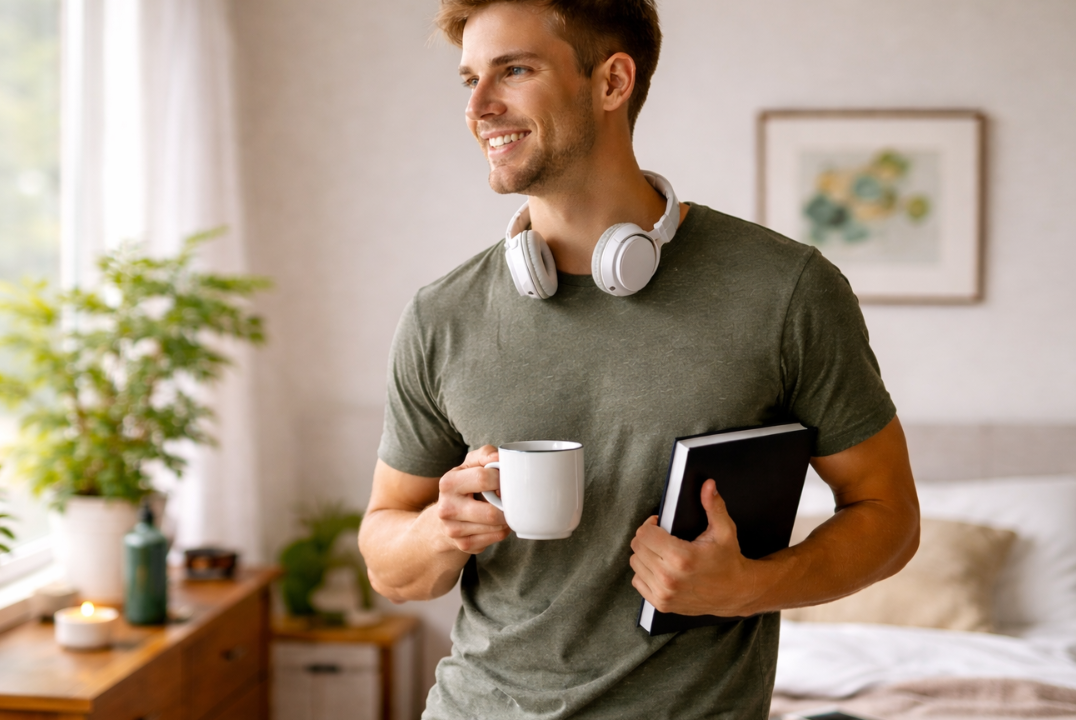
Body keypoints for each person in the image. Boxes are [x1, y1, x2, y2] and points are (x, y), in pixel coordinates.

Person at [357, 1, 920, 717]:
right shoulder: (441, 315)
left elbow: (889, 515)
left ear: (613, 81)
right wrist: (441, 529)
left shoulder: (785, 291)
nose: (479, 107)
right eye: (469, 78)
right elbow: (387, 559)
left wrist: (750, 586)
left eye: (515, 70)